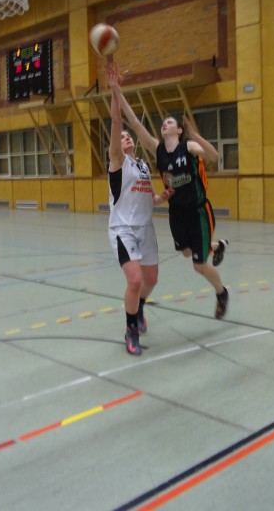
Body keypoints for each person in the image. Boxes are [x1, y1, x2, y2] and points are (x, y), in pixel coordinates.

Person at [109, 64, 230, 319]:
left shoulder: (189, 146)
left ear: (179, 130)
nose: (165, 124)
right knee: (186, 252)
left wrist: (196, 135)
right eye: (163, 123)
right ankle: (216, 245)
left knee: (198, 265)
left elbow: (215, 156)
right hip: (177, 213)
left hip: (198, 212)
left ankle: (221, 292)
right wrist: (117, 91)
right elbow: (134, 122)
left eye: (170, 122)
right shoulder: (158, 151)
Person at [106, 65, 171, 355]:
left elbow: (150, 197)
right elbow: (116, 121)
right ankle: (130, 328)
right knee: (134, 279)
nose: (126, 138)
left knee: (151, 280)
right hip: (123, 229)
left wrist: (161, 197)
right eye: (122, 137)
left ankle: (140, 307)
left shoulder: (143, 165)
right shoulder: (117, 161)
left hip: (146, 228)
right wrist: (114, 91)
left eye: (128, 136)